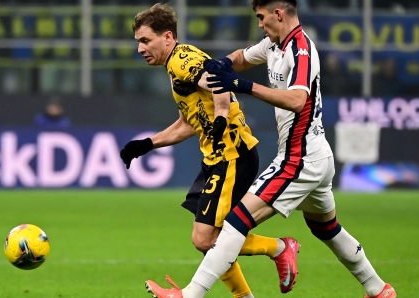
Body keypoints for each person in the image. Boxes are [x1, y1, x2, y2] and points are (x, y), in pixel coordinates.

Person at [145, 1, 397, 298]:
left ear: (279, 14)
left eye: (262, 17)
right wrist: (222, 64)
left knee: (236, 222)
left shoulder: (301, 50)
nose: (260, 24)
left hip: (300, 158)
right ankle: (378, 289)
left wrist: (242, 85)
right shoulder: (274, 44)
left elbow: (296, 101)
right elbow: (241, 57)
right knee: (327, 229)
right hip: (315, 155)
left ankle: (190, 294)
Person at [120, 3, 300, 298]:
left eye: (145, 40)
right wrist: (147, 144)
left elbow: (221, 83)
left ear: (167, 37)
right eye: (138, 42)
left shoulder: (182, 61)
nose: (140, 48)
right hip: (217, 158)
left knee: (206, 239)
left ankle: (280, 248)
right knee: (209, 238)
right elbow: (187, 124)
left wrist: (220, 116)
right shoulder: (175, 66)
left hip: (232, 155)